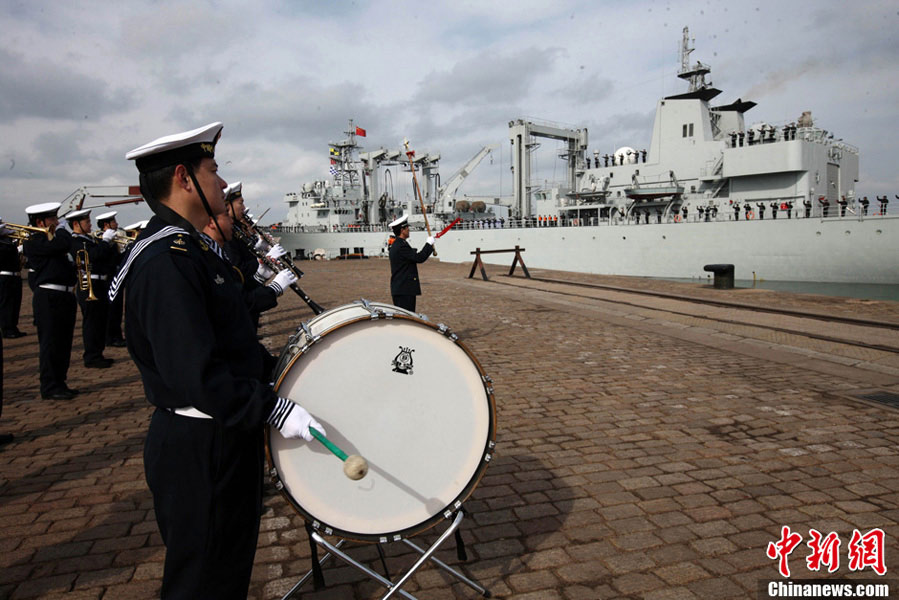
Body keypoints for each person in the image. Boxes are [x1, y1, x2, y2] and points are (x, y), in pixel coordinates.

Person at [113, 122, 323, 599]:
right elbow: (196, 373)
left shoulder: (191, 250)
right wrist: (270, 408)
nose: (223, 184)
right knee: (203, 581)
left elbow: (230, 342)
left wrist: (288, 373)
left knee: (226, 573)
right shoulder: (168, 259)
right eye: (213, 170)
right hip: (200, 445)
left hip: (221, 435)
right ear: (185, 178)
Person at [22, 202, 79, 400]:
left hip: (64, 295)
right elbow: (62, 244)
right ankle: (49, 386)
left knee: (63, 343)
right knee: (50, 344)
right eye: (53, 219)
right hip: (48, 297)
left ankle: (60, 382)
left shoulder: (50, 239)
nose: (57, 222)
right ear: (40, 221)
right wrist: (63, 231)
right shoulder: (34, 240)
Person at [66, 208, 117, 368]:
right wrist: (105, 242)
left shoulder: (89, 240)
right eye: (86, 222)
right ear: (76, 224)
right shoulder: (75, 241)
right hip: (88, 283)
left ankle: (98, 353)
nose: (90, 224)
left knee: (101, 320)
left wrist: (111, 245)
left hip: (100, 283)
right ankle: (91, 356)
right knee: (92, 321)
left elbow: (106, 259)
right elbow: (92, 257)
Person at [388, 213, 434, 312]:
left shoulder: (399, 244)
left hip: (403, 288)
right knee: (406, 318)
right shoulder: (401, 246)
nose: (409, 229)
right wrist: (428, 244)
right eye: (407, 228)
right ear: (402, 230)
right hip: (404, 289)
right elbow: (419, 258)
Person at [96, 211, 128, 347]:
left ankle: (116, 336)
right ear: (106, 225)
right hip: (107, 278)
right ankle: (112, 337)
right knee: (112, 309)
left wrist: (127, 250)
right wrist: (106, 242)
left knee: (117, 308)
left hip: (114, 276)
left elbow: (117, 260)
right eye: (114, 222)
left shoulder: (113, 240)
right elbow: (101, 257)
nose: (117, 224)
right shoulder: (100, 240)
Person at [0, 221, 26, 338]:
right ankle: (7, 329)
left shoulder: (7, 240)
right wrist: (16, 248)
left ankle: (13, 327)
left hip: (15, 275)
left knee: (15, 303)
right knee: (7, 303)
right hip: (4, 276)